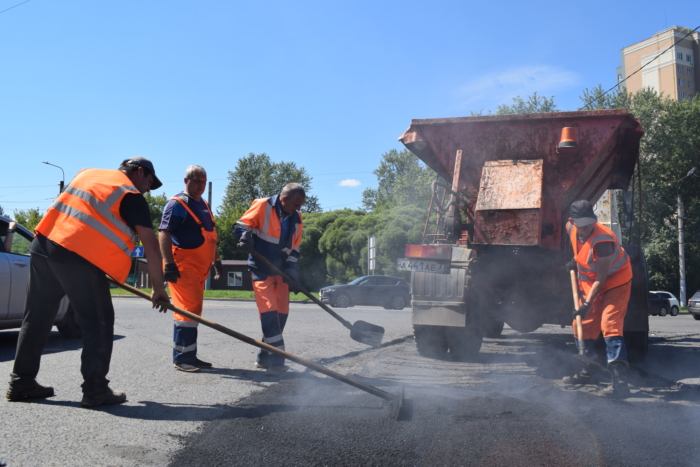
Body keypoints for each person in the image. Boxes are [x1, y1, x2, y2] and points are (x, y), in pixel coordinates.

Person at [5, 157, 170, 408]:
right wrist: (158, 288)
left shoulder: (87, 175)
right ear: (139, 172)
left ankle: (21, 381)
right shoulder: (130, 193)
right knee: (99, 321)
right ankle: (95, 389)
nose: (148, 188)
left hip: (44, 244)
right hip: (77, 254)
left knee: (36, 316)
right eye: (150, 181)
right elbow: (151, 245)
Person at [563, 200, 633, 397]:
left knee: (610, 323)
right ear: (572, 221)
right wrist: (574, 261)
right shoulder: (571, 227)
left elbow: (602, 277)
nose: (586, 228)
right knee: (581, 325)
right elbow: (580, 249)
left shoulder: (603, 241)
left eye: (589, 223)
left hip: (616, 281)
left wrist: (586, 304)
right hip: (590, 284)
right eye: (581, 224)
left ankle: (620, 385)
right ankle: (588, 371)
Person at [234, 183, 304, 377]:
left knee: (282, 315)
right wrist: (244, 238)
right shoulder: (262, 206)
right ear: (284, 200)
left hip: (280, 272)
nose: (298, 209)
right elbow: (241, 226)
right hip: (260, 269)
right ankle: (276, 361)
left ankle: (264, 357)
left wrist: (292, 272)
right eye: (296, 205)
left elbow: (294, 249)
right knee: (269, 313)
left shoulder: (297, 217)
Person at [159, 165, 222, 372]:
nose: (201, 185)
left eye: (203, 182)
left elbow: (211, 237)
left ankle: (190, 356)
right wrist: (168, 264)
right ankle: (181, 358)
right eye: (197, 181)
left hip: (199, 268)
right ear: (186, 181)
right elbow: (164, 233)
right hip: (182, 266)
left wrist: (217, 261)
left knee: (194, 310)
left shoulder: (203, 204)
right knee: (187, 311)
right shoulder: (176, 204)